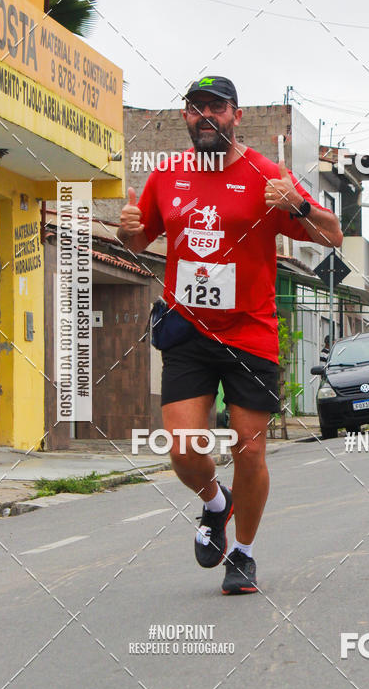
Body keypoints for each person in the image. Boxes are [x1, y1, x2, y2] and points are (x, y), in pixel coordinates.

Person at [118, 76, 343, 594]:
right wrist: (130, 229)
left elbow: (330, 235)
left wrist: (300, 206)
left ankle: (242, 554)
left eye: (216, 108)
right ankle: (215, 503)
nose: (206, 116)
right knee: (181, 448)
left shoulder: (266, 174)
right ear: (185, 118)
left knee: (250, 450)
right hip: (188, 330)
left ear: (235, 116)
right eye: (196, 108)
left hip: (250, 332)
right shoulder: (166, 176)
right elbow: (137, 241)